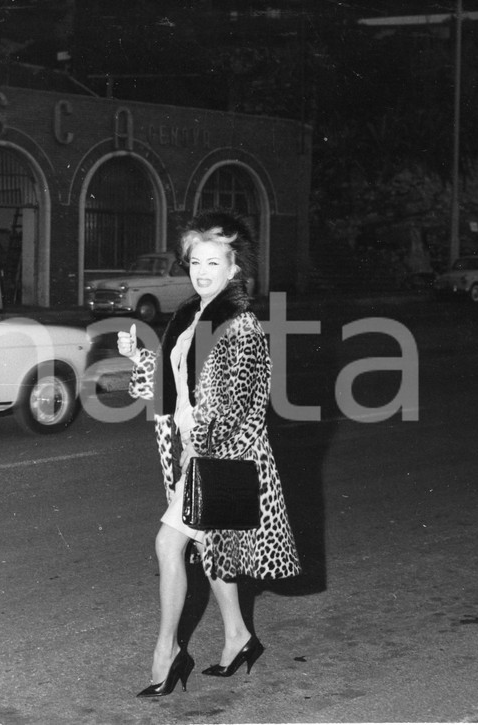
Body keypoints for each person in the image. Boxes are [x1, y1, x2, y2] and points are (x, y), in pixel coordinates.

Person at [117, 209, 301, 698]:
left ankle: (167, 653)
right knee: (209, 547)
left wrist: (200, 444)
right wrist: (141, 360)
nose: (201, 270)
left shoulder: (240, 325)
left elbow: (246, 406)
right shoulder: (190, 315)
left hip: (221, 457)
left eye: (213, 262)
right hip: (193, 454)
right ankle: (238, 636)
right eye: (195, 260)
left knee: (169, 543)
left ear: (234, 269)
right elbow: (166, 390)